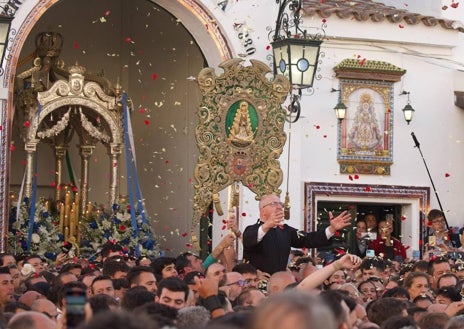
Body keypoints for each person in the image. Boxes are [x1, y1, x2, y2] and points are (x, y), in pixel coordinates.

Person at [242, 194, 352, 274]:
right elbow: (249, 240)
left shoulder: (285, 231)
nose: (280, 207)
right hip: (257, 283)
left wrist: (332, 229)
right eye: (274, 204)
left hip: (280, 284)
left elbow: (308, 239)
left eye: (281, 204)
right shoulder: (252, 230)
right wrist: (267, 225)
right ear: (263, 210)